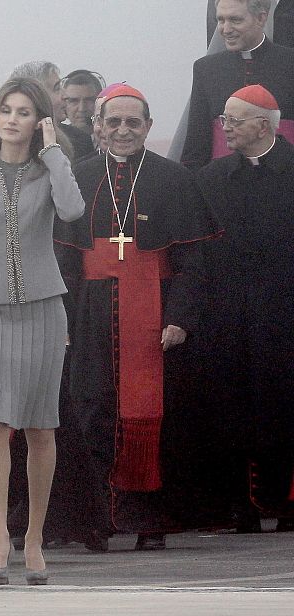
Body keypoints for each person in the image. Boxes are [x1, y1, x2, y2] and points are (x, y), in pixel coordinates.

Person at [54, 85, 219, 552]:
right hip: (91, 315)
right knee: (92, 410)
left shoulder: (174, 178)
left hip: (155, 314)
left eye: (133, 122)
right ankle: (98, 520)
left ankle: (150, 519)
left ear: (148, 126)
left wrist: (180, 317)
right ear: (98, 126)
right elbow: (64, 260)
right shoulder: (80, 177)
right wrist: (62, 319)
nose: (123, 131)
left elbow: (194, 262)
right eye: (113, 122)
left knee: (152, 416)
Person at [0, 77, 84, 585]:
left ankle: (35, 538)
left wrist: (52, 152)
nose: (12, 119)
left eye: (24, 112)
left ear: (39, 120)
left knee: (41, 427)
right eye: (6, 110)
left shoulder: (50, 168)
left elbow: (72, 210)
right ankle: (1, 539)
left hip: (44, 310)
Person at [196, 85, 294, 533]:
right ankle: (241, 506)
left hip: (284, 313)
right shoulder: (211, 178)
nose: (226, 127)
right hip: (229, 315)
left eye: (234, 120)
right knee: (233, 406)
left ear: (263, 125)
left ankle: (287, 502)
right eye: (224, 119)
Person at [181, 0, 294, 170]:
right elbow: (196, 146)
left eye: (235, 20)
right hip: (223, 181)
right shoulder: (206, 69)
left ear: (261, 18)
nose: (226, 29)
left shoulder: (290, 63)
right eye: (221, 20)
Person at [10, 61, 94, 162]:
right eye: (57, 89)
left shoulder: (80, 141)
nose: (65, 96)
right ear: (34, 95)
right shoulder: (2, 141)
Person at [61, 69, 104, 137]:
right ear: (64, 105)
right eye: (74, 101)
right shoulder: (54, 139)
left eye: (89, 100)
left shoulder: (113, 139)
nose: (82, 109)